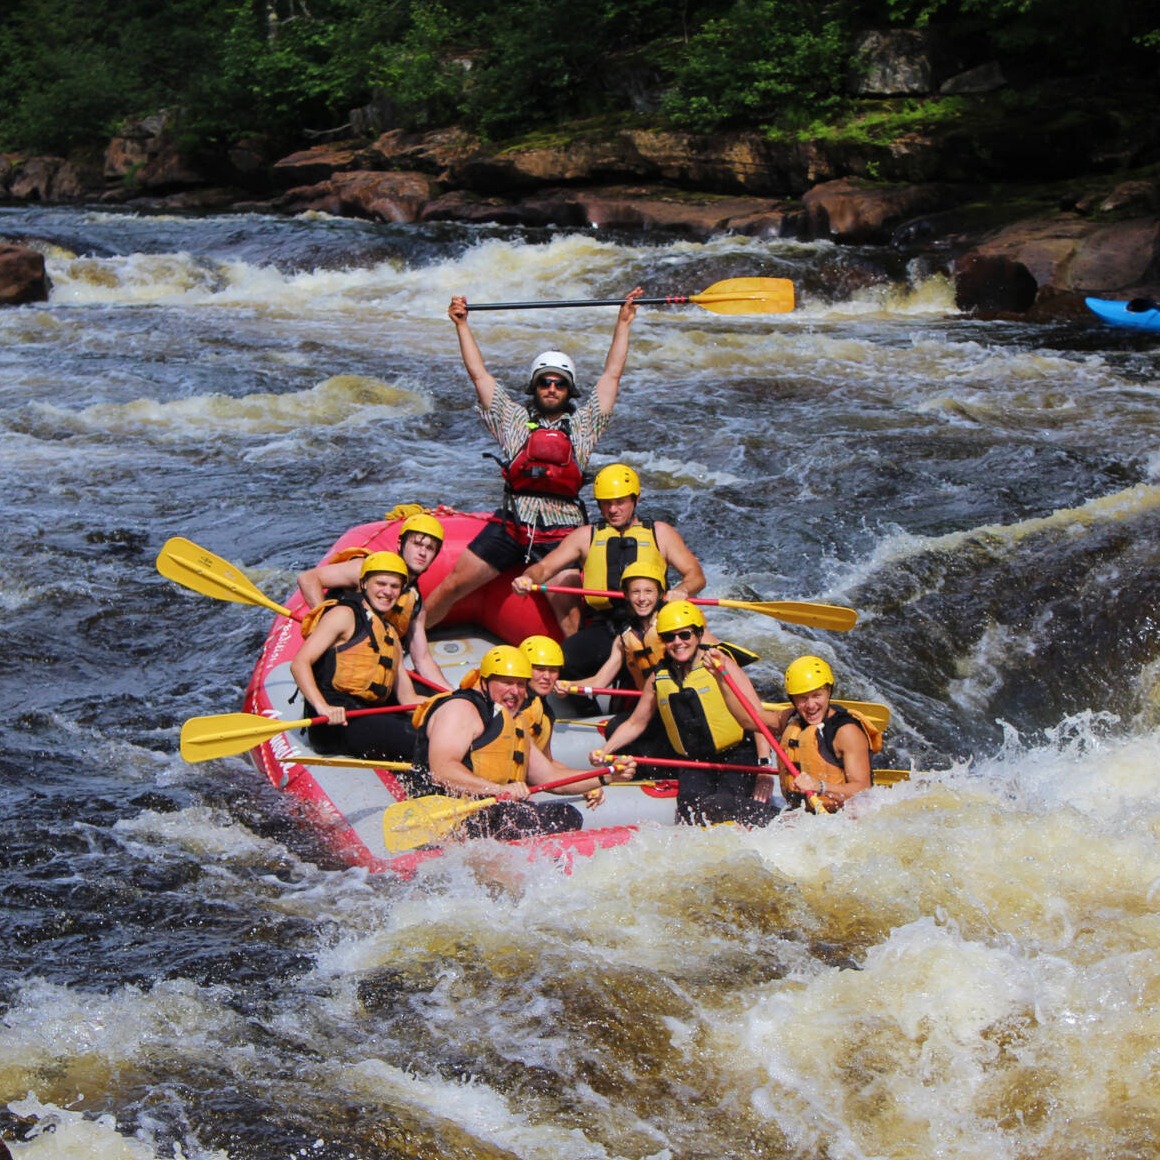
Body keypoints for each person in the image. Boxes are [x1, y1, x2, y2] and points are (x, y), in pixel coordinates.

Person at [424, 287, 645, 631]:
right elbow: (480, 375)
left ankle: (579, 662)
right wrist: (462, 326)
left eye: (559, 383)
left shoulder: (583, 426)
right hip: (513, 524)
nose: (552, 388)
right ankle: (409, 639)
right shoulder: (512, 420)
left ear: (569, 390)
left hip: (562, 532)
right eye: (545, 382)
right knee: (452, 585)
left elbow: (610, 377)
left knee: (569, 614)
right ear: (535, 386)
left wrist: (624, 323)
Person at [411, 645, 635, 841]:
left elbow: (549, 776)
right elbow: (442, 769)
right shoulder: (461, 709)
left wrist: (606, 776)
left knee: (564, 816)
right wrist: (498, 790)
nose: (515, 691)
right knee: (526, 819)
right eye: (507, 683)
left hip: (489, 812)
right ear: (485, 682)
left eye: (520, 684)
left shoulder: (513, 720)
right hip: (448, 815)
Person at [593, 601, 779, 827]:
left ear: (698, 634)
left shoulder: (721, 664)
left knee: (719, 806)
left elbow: (756, 716)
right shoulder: (659, 677)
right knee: (690, 813)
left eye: (684, 635)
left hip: (738, 755)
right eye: (669, 637)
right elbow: (635, 723)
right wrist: (606, 751)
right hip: (696, 761)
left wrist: (764, 768)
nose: (678, 642)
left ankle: (778, 819)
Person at [511, 462, 706, 678]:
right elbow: (544, 568)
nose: (613, 510)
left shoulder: (660, 533)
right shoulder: (585, 536)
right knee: (565, 663)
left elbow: (696, 576)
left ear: (635, 500)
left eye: (620, 502)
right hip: (606, 626)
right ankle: (586, 698)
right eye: (606, 503)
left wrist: (682, 590)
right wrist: (527, 578)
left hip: (651, 622)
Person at [289, 551, 419, 760]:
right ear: (365, 584)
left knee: (434, 732)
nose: (387, 591)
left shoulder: (391, 634)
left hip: (367, 715)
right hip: (334, 723)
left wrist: (449, 704)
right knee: (418, 742)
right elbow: (300, 663)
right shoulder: (344, 615)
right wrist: (323, 706)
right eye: (381, 583)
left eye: (394, 586)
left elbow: (408, 698)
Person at [296, 512, 449, 689]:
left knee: (431, 694)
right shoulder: (365, 570)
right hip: (336, 666)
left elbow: (422, 660)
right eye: (417, 544)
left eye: (430, 548)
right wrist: (327, 623)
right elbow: (308, 578)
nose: (422, 552)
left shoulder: (415, 604)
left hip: (367, 672)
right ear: (400, 544)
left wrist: (454, 695)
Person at [764, 655, 881, 813]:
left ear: (829, 692)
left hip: (842, 818)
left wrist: (820, 786)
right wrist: (729, 667)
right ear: (793, 700)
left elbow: (862, 791)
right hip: (803, 816)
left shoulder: (846, 731)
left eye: (816, 695)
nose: (811, 705)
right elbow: (749, 718)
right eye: (802, 698)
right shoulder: (792, 719)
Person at [518, 634, 565, 757]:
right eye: (540, 669)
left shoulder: (546, 713)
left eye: (553, 670)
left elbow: (547, 759)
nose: (547, 677)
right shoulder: (509, 704)